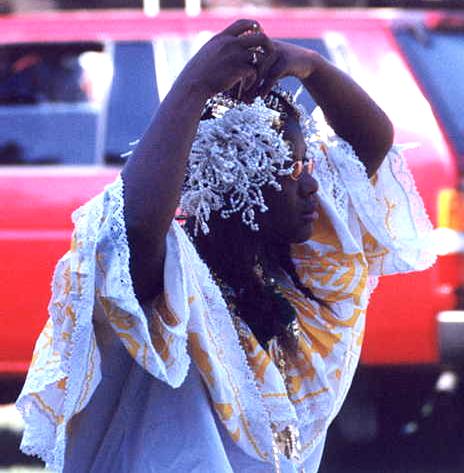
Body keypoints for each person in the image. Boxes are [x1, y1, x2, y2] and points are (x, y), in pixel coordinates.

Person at [16, 19, 436, 473]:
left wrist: (311, 67)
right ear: (240, 190)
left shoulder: (300, 274)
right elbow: (133, 228)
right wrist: (195, 86)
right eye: (293, 170)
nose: (313, 186)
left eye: (307, 164)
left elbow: (370, 146)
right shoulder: (172, 279)